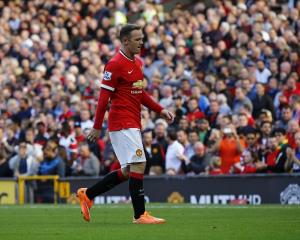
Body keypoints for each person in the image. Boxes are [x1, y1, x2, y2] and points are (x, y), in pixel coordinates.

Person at [76, 24, 174, 224]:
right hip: (121, 122)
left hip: (133, 121)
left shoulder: (137, 62)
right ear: (126, 41)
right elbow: (103, 98)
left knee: (129, 170)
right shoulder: (114, 64)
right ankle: (140, 215)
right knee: (140, 163)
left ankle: (88, 195)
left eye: (142, 38)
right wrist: (96, 126)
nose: (141, 42)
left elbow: (140, 93)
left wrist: (160, 110)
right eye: (137, 39)